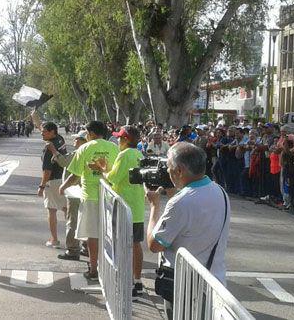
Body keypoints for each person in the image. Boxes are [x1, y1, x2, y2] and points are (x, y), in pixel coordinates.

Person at [147, 142, 230, 318]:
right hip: (213, 281)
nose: (166, 171)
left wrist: (155, 206)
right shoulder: (220, 191)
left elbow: (154, 245)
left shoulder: (181, 202)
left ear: (179, 170)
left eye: (168, 167)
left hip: (183, 286)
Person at [59, 120, 119, 280]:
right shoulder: (114, 148)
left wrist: (63, 186)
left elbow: (75, 174)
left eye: (86, 132)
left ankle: (94, 269)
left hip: (90, 197)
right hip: (110, 196)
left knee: (93, 235)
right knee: (109, 234)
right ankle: (109, 269)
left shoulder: (85, 148)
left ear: (91, 133)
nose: (86, 135)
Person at [92, 125, 146, 298]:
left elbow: (113, 178)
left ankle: (127, 282)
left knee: (123, 245)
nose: (117, 140)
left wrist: (101, 169)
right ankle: (137, 281)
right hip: (136, 207)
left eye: (120, 138)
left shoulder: (124, 155)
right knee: (136, 245)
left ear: (126, 139)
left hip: (124, 207)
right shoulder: (139, 154)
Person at [48, 130, 85, 261]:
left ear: (83, 141)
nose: (74, 141)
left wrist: (53, 150)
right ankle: (85, 247)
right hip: (84, 191)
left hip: (76, 191)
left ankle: (73, 250)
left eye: (77, 139)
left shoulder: (79, 153)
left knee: (73, 220)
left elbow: (64, 162)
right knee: (83, 219)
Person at [37, 122, 66, 249]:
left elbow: (47, 170)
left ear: (52, 132)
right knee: (66, 209)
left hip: (53, 181)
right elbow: (40, 127)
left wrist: (42, 186)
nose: (42, 133)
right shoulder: (60, 139)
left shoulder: (49, 147)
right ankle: (75, 239)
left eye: (44, 132)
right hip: (63, 179)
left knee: (52, 210)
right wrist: (35, 117)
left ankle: (54, 239)